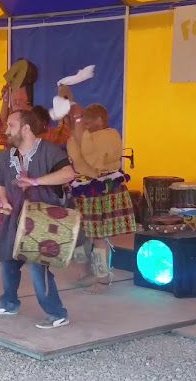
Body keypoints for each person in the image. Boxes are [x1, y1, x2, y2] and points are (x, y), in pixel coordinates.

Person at [0, 110, 76, 329]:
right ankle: (9, 303)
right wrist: (4, 201)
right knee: (8, 261)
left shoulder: (48, 151)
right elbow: (2, 182)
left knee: (37, 268)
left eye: (11, 125)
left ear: (26, 128)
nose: (6, 130)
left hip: (41, 219)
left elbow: (68, 174)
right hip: (14, 217)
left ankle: (57, 313)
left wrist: (35, 181)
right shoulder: (8, 156)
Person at [66, 104, 136, 294]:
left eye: (87, 122)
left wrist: (77, 126)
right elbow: (78, 152)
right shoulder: (90, 137)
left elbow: (89, 156)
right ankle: (85, 272)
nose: (85, 126)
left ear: (99, 120)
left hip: (101, 191)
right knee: (80, 234)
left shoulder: (108, 135)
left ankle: (103, 278)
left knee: (99, 238)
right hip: (85, 191)